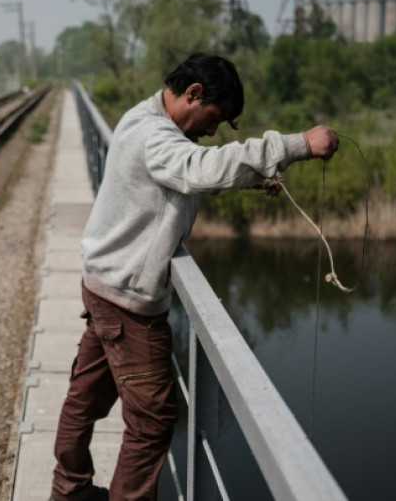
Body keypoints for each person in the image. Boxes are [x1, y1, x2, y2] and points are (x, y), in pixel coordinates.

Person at [49, 53, 339, 501]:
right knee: (153, 421)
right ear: (193, 94)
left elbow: (181, 175)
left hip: (102, 283)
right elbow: (198, 169)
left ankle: (68, 491)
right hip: (128, 302)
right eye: (215, 119)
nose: (211, 132)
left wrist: (257, 175)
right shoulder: (155, 136)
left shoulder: (140, 116)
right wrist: (295, 145)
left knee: (84, 395)